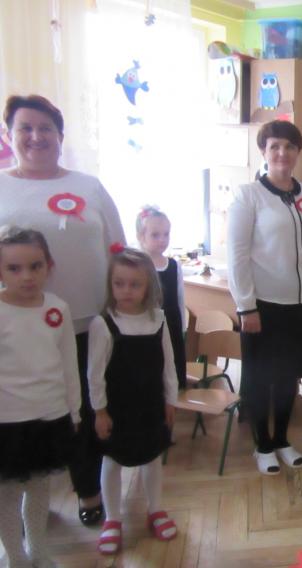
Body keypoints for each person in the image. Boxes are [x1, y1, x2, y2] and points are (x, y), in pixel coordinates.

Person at [0, 94, 126, 526]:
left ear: (60, 135)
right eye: (25, 128)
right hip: (20, 331)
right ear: (9, 135)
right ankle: (30, 496)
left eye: (46, 128)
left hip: (90, 323)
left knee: (87, 410)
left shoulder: (89, 186)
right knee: (28, 414)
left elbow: (117, 246)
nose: (36, 136)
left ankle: (89, 491)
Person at [227, 120, 302, 473]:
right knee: (261, 377)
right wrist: (246, 306)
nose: (282, 153)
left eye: (289, 146)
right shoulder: (248, 196)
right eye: (274, 146)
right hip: (263, 306)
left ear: (298, 151)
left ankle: (283, 439)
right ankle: (262, 445)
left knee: (289, 376)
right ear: (264, 151)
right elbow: (237, 256)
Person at [88, 247, 178, 555]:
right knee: (112, 460)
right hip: (117, 408)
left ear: (148, 286)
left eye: (134, 284)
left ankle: (155, 509)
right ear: (110, 285)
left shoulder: (158, 320)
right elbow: (95, 374)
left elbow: (169, 366)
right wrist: (100, 411)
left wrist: (171, 400)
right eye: (119, 283)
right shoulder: (104, 323)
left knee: (152, 458)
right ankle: (112, 519)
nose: (126, 290)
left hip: (151, 405)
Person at [0, 227, 80, 568]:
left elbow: (69, 364)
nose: (27, 276)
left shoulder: (58, 308)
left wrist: (74, 411)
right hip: (7, 422)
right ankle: (15, 556)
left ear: (49, 266)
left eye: (35, 266)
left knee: (39, 489)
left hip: (50, 416)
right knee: (7, 496)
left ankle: (38, 550)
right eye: (14, 268)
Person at [137, 206, 187, 390]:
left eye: (166, 234)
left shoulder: (173, 265)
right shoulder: (138, 265)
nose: (162, 240)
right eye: (155, 235)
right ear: (141, 236)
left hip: (171, 325)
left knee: (172, 369)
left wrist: (182, 327)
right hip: (147, 327)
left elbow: (180, 299)